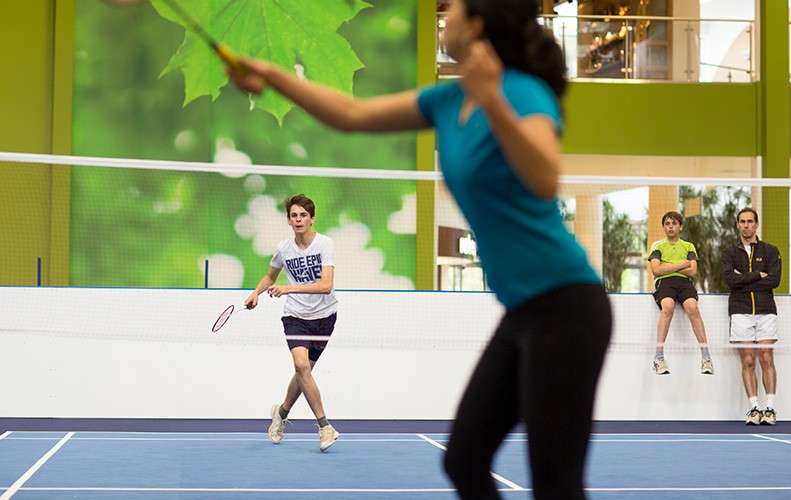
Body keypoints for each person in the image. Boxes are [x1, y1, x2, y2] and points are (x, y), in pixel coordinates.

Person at [228, 0, 612, 497]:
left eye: (449, 9)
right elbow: (350, 113)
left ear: (476, 25)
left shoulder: (521, 93)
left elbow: (544, 178)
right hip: (523, 312)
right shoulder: (446, 101)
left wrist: (492, 99)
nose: (442, 14)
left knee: (555, 483)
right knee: (465, 461)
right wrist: (271, 73)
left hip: (568, 308)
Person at [244, 194, 340, 451]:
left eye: (303, 215)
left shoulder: (324, 244)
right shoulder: (284, 249)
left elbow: (326, 285)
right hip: (295, 317)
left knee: (303, 373)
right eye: (294, 216)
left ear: (312, 219)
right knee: (301, 365)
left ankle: (281, 414)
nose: (298, 220)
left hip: (325, 318)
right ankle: (325, 427)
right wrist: (256, 293)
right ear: (288, 220)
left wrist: (287, 289)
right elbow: (269, 276)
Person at [721, 208, 781, 426]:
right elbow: (729, 281)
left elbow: (774, 281)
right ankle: (754, 408)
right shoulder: (729, 253)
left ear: (756, 225)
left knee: (766, 357)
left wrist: (743, 278)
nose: (746, 225)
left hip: (766, 310)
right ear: (738, 225)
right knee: (747, 360)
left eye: (750, 221)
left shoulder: (771, 251)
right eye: (742, 222)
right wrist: (757, 275)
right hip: (740, 310)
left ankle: (770, 409)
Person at [647, 211, 714, 375]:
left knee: (692, 307)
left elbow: (692, 272)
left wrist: (667, 266)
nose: (670, 227)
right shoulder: (657, 246)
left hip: (684, 283)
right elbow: (655, 270)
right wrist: (682, 264)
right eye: (667, 224)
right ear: (663, 227)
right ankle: (659, 357)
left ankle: (706, 358)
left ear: (680, 226)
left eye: (674, 223)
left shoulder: (688, 246)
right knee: (668, 306)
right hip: (665, 283)